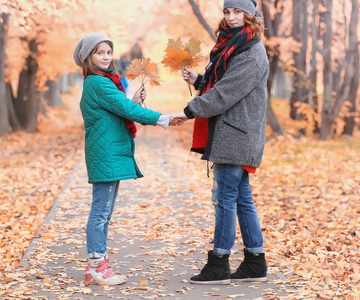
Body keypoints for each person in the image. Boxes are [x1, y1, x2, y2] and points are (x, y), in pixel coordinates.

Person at [172, 0, 269, 285]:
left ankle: (218, 265)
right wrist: (201, 80)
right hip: (235, 131)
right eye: (227, 12)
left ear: (250, 16)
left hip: (237, 134)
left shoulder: (251, 52)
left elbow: (226, 92)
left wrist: (189, 111)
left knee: (225, 199)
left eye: (237, 11)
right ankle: (254, 262)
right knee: (240, 198)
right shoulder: (233, 46)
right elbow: (222, 82)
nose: (231, 17)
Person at [73, 33, 176, 285]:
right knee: (101, 211)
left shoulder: (101, 82)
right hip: (106, 153)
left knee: (104, 212)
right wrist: (163, 119)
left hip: (108, 151)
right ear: (88, 57)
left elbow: (120, 108)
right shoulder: (99, 83)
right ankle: (96, 266)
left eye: (108, 52)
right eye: (100, 53)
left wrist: (130, 101)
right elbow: (127, 111)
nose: (106, 57)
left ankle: (99, 265)